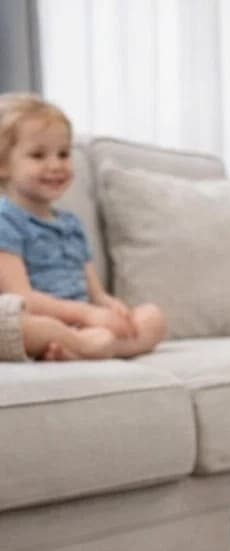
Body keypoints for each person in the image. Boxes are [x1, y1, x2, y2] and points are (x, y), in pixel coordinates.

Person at [0, 93, 165, 358]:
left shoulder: (71, 224)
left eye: (63, 154)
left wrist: (109, 306)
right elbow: (22, 297)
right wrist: (87, 314)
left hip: (84, 323)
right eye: (38, 155)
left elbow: (94, 293)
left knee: (152, 318)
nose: (55, 165)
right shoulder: (5, 220)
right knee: (20, 327)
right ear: (3, 165)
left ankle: (81, 348)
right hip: (41, 318)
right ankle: (87, 347)